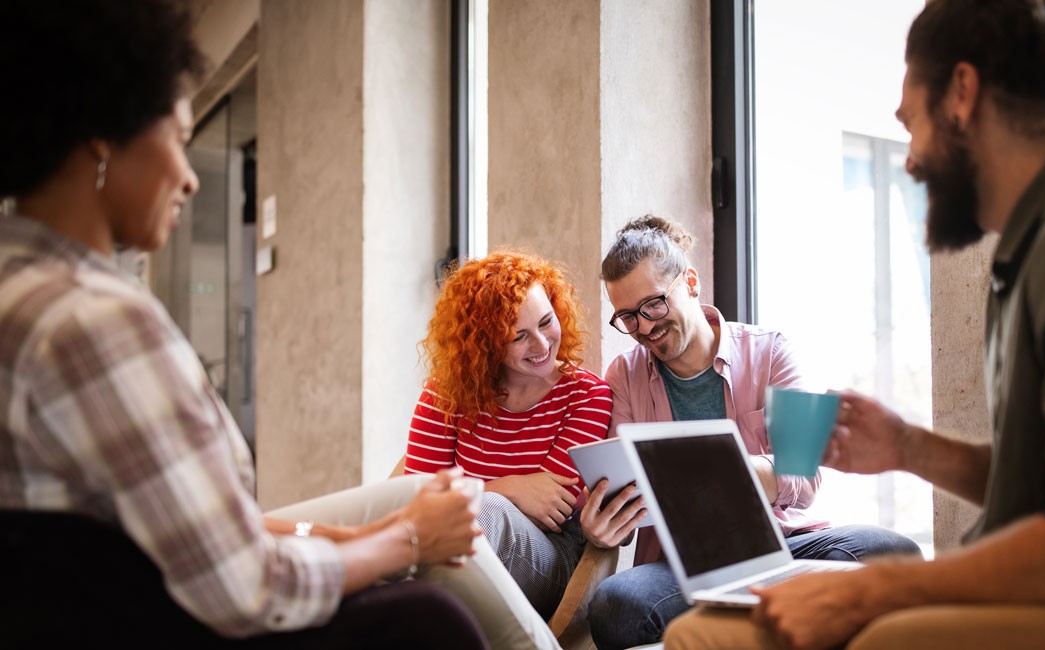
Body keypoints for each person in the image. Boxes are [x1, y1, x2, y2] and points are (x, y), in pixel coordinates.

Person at [663, 1, 1045, 649]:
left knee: (722, 637)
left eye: (909, 124)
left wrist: (868, 590)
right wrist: (911, 449)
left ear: (962, 94)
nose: (910, 160)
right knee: (716, 624)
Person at [0, 1, 490, 647]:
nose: (188, 179)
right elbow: (245, 586)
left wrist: (372, 540)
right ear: (103, 137)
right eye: (176, 139)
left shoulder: (19, 288)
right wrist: (408, 540)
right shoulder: (94, 323)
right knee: (434, 618)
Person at [581, 215, 922, 650]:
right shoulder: (624, 375)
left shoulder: (775, 349)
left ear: (690, 281)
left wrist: (720, 471)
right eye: (628, 317)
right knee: (616, 605)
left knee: (891, 552)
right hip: (682, 566)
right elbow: (627, 498)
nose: (644, 327)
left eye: (654, 305)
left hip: (788, 545)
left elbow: (805, 474)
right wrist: (603, 526)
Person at [395, 251, 614, 620]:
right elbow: (416, 501)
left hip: (549, 558)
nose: (542, 345)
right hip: (454, 552)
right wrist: (510, 486)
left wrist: (480, 495)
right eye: (519, 337)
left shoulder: (587, 395)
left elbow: (552, 507)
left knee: (484, 512)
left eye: (547, 322)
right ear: (486, 345)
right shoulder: (446, 393)